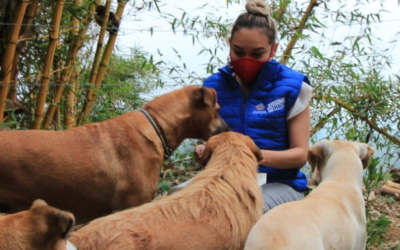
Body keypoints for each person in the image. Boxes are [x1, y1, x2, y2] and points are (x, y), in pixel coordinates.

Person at [170, 0, 312, 214]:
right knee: (173, 206)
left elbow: (300, 155)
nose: (246, 60)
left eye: (257, 54)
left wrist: (247, 153)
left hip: (279, 183)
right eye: (238, 52)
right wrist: (205, 150)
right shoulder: (213, 88)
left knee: (236, 213)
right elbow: (210, 143)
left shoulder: (292, 87)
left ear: (273, 49)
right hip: (224, 180)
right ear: (229, 45)